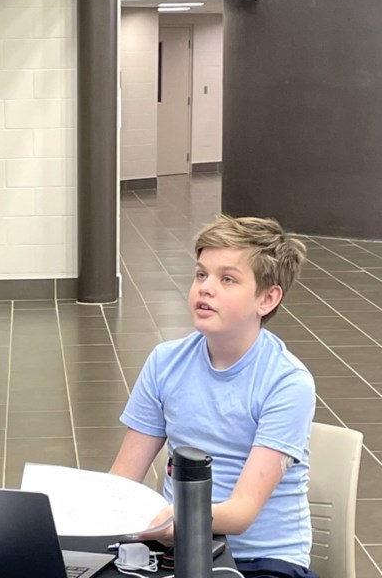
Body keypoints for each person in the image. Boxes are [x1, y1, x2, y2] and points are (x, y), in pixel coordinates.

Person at [110, 214, 317, 578]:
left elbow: (241, 513)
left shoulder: (287, 382)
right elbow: (122, 481)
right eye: (201, 274)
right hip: (178, 547)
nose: (205, 288)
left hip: (261, 561)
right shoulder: (165, 362)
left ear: (267, 298)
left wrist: (167, 519)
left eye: (227, 279)